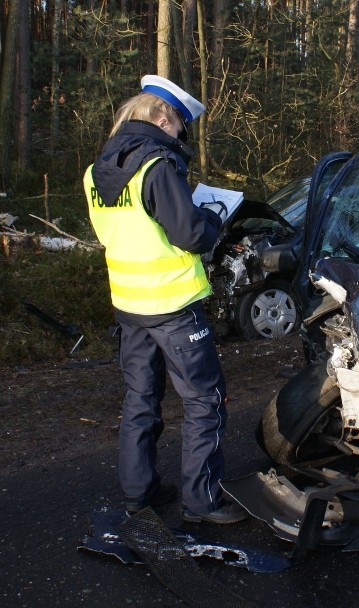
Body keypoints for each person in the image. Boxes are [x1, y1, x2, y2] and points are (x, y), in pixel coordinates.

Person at [83, 75, 247, 524]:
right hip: (173, 305)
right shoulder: (156, 164)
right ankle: (201, 503)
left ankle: (140, 492)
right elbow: (191, 235)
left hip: (129, 304)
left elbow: (117, 233)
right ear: (161, 117)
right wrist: (213, 217)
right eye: (179, 126)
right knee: (205, 400)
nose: (179, 136)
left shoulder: (97, 170)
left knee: (141, 398)